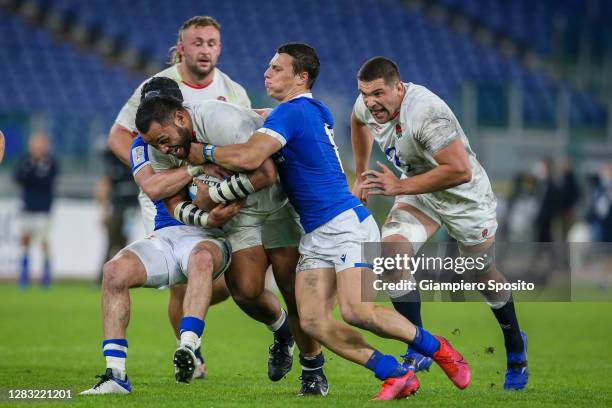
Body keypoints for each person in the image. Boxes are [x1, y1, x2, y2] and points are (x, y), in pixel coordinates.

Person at [176, 43, 470, 400]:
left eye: (276, 68)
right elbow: (265, 119)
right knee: (312, 321)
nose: (266, 73)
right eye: (268, 67)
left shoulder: (293, 113)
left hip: (345, 224)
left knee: (356, 312)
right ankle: (394, 373)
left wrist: (202, 151)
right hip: (317, 233)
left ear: (301, 77)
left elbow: (252, 154)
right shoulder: (306, 110)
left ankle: (440, 349)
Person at [135, 80, 328, 395]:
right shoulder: (157, 145)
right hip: (241, 215)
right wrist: (206, 216)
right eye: (157, 144)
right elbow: (174, 204)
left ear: (181, 118)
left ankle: (312, 370)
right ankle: (283, 334)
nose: (164, 149)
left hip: (279, 202)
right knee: (246, 291)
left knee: (292, 290)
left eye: (165, 140)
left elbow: (266, 174)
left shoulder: (220, 119)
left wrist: (214, 195)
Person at [351, 57, 528, 390]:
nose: (371, 102)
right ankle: (419, 346)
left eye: (378, 93)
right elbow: (357, 120)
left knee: (482, 274)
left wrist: (399, 186)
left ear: (398, 88)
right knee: (392, 256)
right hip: (421, 191)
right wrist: (361, 176)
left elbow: (459, 170)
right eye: (364, 93)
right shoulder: (366, 105)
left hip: (466, 199)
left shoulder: (427, 113)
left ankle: (516, 345)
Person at [107, 16, 249, 375]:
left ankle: (192, 330)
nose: (205, 49)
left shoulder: (232, 91)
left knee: (228, 285)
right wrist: (154, 172)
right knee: (180, 279)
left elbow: (244, 144)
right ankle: (189, 353)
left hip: (216, 188)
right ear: (181, 47)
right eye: (197, 42)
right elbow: (120, 136)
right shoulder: (157, 88)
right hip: (166, 201)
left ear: (220, 47)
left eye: (212, 42)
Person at [80, 171, 242, 395]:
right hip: (166, 233)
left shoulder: (212, 140)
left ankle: (189, 346)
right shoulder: (143, 143)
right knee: (113, 271)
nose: (163, 147)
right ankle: (116, 375)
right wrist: (195, 168)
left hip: (210, 235)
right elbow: (153, 187)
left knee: (227, 283)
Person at [13, 132, 59, 288]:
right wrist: (34, 174)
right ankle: (24, 274)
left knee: (44, 241)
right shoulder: (25, 160)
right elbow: (18, 177)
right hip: (28, 206)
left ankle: (46, 274)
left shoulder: (51, 162)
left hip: (44, 208)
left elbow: (47, 181)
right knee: (25, 239)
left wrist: (32, 176)